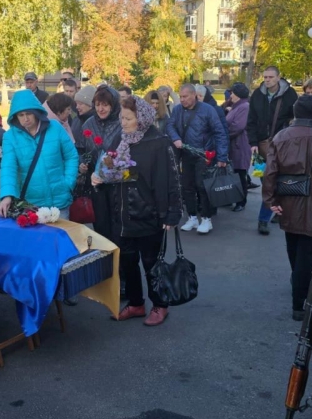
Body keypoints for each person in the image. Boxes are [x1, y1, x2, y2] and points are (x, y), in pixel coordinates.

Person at [95, 96, 181, 326]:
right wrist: (102, 172)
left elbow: (170, 178)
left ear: (141, 118)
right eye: (122, 117)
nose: (123, 122)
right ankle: (136, 303)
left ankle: (160, 305)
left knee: (152, 263)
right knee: (127, 261)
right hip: (122, 214)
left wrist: (172, 212)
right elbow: (112, 168)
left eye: (128, 118)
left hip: (148, 212)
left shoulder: (158, 142)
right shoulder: (120, 138)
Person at [262, 95, 312, 321]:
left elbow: (271, 171)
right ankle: (301, 297)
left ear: (295, 113)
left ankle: (298, 288)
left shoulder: (281, 137)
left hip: (289, 199)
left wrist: (270, 199)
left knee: (293, 246)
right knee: (310, 250)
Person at [0, 90, 79, 218]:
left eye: (29, 113)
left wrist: (68, 183)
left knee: (62, 237)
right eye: (21, 115)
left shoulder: (55, 127)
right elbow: (8, 167)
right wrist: (7, 196)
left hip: (59, 200)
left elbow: (71, 156)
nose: (25, 118)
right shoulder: (10, 137)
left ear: (36, 112)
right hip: (31, 204)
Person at [166, 83, 229, 235]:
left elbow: (219, 132)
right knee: (187, 187)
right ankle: (192, 217)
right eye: (180, 96)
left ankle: (206, 218)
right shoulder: (177, 110)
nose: (182, 100)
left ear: (194, 95)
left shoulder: (208, 110)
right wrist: (175, 138)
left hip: (204, 155)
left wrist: (221, 156)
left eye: (185, 96)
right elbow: (170, 125)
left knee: (202, 186)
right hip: (186, 154)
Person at [246, 66, 298, 235]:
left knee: (273, 183)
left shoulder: (290, 95)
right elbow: (251, 120)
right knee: (264, 181)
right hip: (260, 146)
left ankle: (263, 219)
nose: (267, 80)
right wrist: (252, 142)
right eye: (265, 77)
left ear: (278, 77)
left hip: (280, 145)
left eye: (270, 77)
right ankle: (275, 209)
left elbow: (295, 119)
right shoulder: (257, 95)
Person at [72, 86, 123, 241]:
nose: (101, 109)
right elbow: (82, 150)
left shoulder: (121, 123)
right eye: (98, 104)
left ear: (113, 105)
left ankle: (120, 259)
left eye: (105, 105)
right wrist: (83, 163)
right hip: (95, 182)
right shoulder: (88, 124)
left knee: (118, 222)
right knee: (100, 223)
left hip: (118, 182)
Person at [225, 83, 252, 212]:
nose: (231, 95)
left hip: (240, 145)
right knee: (234, 174)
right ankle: (233, 198)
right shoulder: (237, 106)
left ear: (238, 95)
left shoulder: (244, 106)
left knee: (240, 174)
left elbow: (238, 126)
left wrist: (224, 134)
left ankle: (241, 201)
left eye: (233, 93)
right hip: (235, 145)